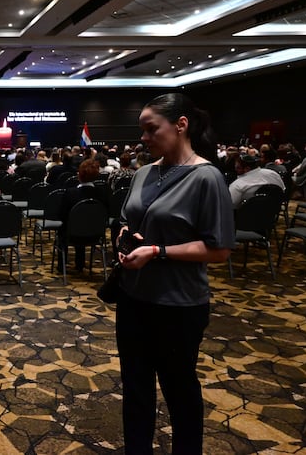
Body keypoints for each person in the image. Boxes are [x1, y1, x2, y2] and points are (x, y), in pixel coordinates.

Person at [116, 93, 234, 455]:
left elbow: (219, 249)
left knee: (179, 391)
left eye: (151, 129)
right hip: (133, 298)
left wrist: (157, 251)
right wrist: (124, 237)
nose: (144, 138)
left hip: (178, 305)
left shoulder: (206, 177)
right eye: (142, 130)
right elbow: (127, 220)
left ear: (181, 125)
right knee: (135, 390)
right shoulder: (143, 173)